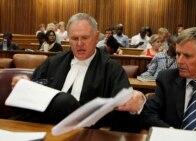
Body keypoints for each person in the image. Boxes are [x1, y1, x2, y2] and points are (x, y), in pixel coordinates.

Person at [11, 13, 145, 133]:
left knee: (64, 101)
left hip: (86, 134)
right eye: (74, 38)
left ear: (96, 37)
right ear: (68, 38)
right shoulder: (52, 63)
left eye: (85, 38)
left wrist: (136, 106)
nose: (79, 44)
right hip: (43, 130)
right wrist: (23, 85)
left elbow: (123, 117)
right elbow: (28, 100)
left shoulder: (112, 69)